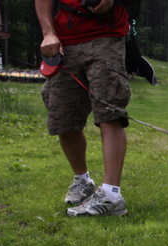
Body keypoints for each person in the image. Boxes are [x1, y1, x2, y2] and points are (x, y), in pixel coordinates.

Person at [35, 0, 131, 216]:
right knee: (63, 117)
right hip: (64, 42)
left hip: (107, 36)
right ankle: (82, 181)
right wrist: (48, 33)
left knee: (109, 112)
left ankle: (111, 195)